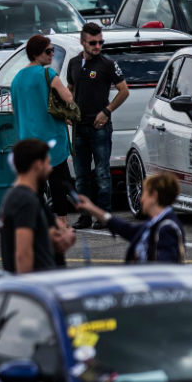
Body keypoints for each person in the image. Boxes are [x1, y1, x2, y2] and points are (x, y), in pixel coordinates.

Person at [67, 22, 128, 228]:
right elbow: (70, 88)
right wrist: (69, 110)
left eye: (100, 42)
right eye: (93, 43)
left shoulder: (107, 64)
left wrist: (107, 111)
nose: (97, 46)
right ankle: (85, 215)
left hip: (99, 126)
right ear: (83, 42)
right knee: (82, 176)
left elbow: (123, 91)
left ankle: (104, 215)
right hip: (79, 127)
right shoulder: (74, 63)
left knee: (102, 172)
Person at [10, 34, 77, 217]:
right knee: (58, 182)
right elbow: (68, 98)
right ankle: (62, 221)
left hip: (27, 141)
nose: (52, 55)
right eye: (48, 51)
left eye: (52, 51)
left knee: (35, 185)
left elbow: (15, 110)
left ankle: (37, 220)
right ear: (36, 53)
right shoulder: (48, 74)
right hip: (52, 139)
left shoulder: (16, 80)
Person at [0, 138, 76, 273]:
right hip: (37, 286)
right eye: (48, 163)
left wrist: (56, 236)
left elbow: (34, 236)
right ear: (38, 165)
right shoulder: (24, 201)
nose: (50, 169)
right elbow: (23, 256)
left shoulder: (23, 197)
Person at [76, 173, 185, 263]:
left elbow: (166, 270)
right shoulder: (155, 222)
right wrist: (93, 209)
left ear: (154, 196)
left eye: (144, 194)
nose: (141, 199)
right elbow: (127, 229)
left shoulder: (167, 228)